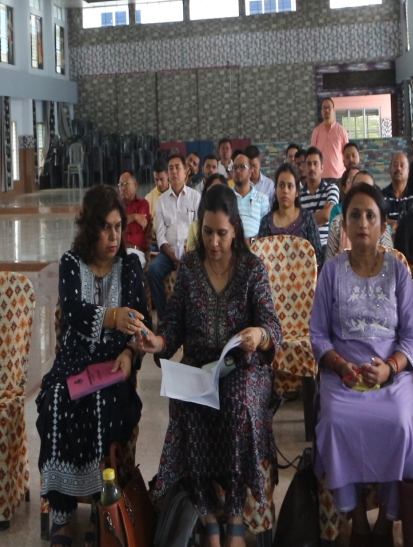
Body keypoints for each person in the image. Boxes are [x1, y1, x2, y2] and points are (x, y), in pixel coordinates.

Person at [139, 186, 283, 547]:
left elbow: (273, 327)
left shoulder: (252, 269)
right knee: (190, 406)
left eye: (221, 232)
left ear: (235, 229)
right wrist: (158, 342)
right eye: (207, 231)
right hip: (198, 369)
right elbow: (173, 325)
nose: (214, 242)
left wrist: (258, 334)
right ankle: (206, 510)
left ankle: (233, 511)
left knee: (236, 406)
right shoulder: (188, 267)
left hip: (242, 367)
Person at [312, 183, 413, 540]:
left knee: (402, 424)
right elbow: (318, 335)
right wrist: (341, 365)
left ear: (383, 225)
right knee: (334, 421)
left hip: (389, 375)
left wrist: (390, 367)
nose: (362, 222)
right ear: (343, 224)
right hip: (343, 375)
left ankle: (386, 522)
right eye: (354, 215)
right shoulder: (331, 271)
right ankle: (357, 519)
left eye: (370, 216)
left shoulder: (398, 271)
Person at [37, 185, 148, 541]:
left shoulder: (130, 265)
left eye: (119, 226)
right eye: (106, 227)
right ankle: (62, 511)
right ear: (90, 229)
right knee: (56, 401)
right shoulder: (72, 263)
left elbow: (141, 323)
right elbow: (74, 312)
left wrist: (131, 355)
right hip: (74, 361)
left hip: (114, 362)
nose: (114, 236)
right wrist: (112, 316)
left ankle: (104, 510)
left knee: (105, 403)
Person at [145, 155, 200, 328]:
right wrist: (171, 254)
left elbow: (198, 230)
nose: (174, 171)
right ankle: (165, 319)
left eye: (178, 167)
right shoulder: (161, 201)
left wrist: (186, 251)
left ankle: (193, 319)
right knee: (153, 271)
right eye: (171, 168)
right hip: (168, 253)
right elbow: (160, 234)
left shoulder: (195, 198)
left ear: (186, 172)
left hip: (190, 252)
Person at [258, 163, 324, 263]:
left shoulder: (307, 218)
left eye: (290, 186)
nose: (285, 190)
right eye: (281, 185)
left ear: (297, 192)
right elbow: (261, 257)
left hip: (304, 276)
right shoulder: (267, 222)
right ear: (275, 190)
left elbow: (317, 256)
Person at [325, 170, 391, 259]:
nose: (363, 224)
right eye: (357, 188)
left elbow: (389, 259)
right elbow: (329, 261)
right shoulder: (338, 222)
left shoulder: (380, 223)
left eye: (368, 189)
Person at [298, 147, 339, 250]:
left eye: (315, 163)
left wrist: (303, 220)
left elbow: (327, 215)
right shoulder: (298, 196)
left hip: (326, 246)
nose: (312, 168)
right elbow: (294, 224)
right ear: (305, 168)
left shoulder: (331, 189)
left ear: (322, 168)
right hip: (304, 247)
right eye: (309, 164)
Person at [229, 150, 270, 241]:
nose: (238, 171)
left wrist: (252, 242)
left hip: (256, 248)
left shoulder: (262, 199)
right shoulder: (227, 198)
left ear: (250, 172)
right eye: (235, 167)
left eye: (242, 167)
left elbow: (266, 230)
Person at [311, 97, 350, 181]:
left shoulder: (342, 131)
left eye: (329, 107)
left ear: (333, 110)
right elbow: (312, 155)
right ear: (321, 112)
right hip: (321, 177)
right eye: (324, 108)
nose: (327, 110)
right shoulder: (316, 132)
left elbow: (346, 154)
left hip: (339, 176)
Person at [118, 172, 152, 261]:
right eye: (120, 184)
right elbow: (113, 226)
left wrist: (121, 224)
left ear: (136, 185)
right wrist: (134, 217)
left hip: (136, 252)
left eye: (125, 184)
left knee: (129, 263)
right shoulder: (116, 206)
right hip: (118, 251)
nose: (122, 188)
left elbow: (137, 228)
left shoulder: (143, 204)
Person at [382, 152, 409, 224]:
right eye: (395, 165)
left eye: (402, 165)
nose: (398, 168)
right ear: (389, 170)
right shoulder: (382, 196)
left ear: (408, 171)